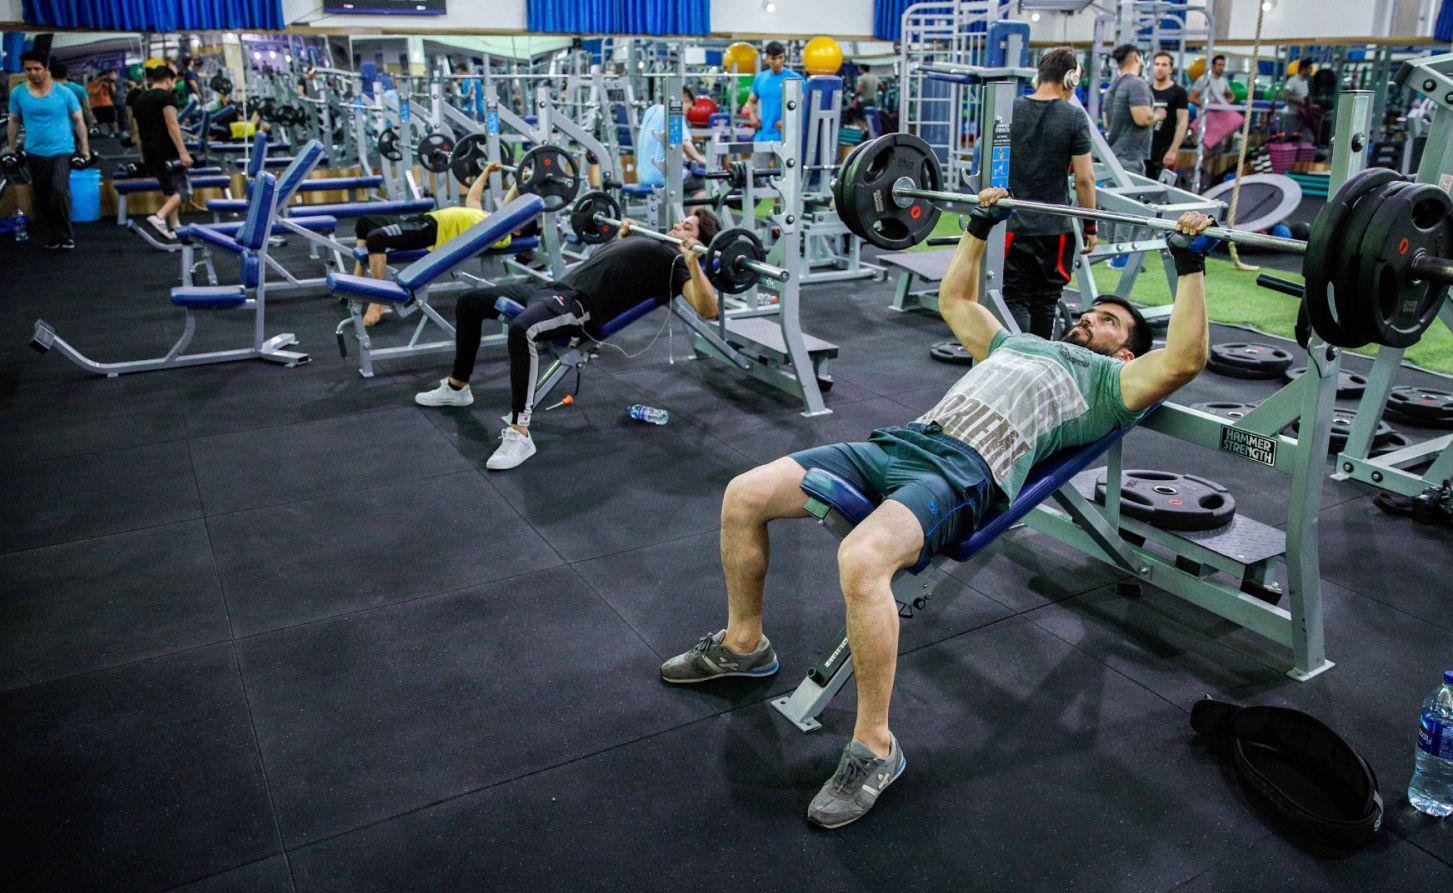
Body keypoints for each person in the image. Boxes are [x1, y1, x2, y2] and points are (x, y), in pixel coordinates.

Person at [658, 191, 1216, 829]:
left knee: (862, 558)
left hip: (966, 471)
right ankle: (744, 644)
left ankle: (875, 746)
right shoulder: (1016, 344)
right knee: (744, 493)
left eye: (1110, 320)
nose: (1091, 318)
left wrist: (1189, 264)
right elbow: (956, 300)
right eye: (1091, 311)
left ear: (1126, 353)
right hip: (900, 443)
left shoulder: (1110, 382)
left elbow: (1185, 359)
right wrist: (977, 226)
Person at [413, 209, 725, 471]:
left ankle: (520, 434)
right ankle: (457, 388)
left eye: (686, 227)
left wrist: (693, 262)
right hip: (552, 290)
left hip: (578, 307)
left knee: (525, 330)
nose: (676, 226)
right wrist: (622, 240)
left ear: (697, 244)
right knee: (470, 301)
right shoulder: (654, 242)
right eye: (681, 221)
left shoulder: (677, 263)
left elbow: (708, 310)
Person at [1004, 47, 1098, 339]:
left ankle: (1015, 365)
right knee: (1045, 302)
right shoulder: (1073, 117)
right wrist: (1090, 226)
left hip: (1009, 226)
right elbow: (1085, 179)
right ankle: (1037, 367)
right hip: (1053, 230)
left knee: (1013, 298)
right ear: (1070, 79)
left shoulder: (1007, 109)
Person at [353, 159, 515, 326]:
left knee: (376, 238)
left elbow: (509, 209)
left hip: (430, 232)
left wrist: (518, 186)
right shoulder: (484, 216)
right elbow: (474, 197)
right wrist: (487, 171)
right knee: (364, 222)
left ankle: (377, 301)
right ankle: (357, 285)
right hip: (426, 219)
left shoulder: (500, 234)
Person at [7, 51, 89, 251]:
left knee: (59, 190)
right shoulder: (18, 93)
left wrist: (85, 149)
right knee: (43, 196)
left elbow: (79, 120)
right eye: (28, 69)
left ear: (46, 69)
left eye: (37, 68)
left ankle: (66, 235)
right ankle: (55, 234)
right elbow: (14, 120)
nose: (33, 73)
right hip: (34, 151)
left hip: (62, 149)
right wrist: (10, 148)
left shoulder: (64, 92)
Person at [129, 66, 195, 243]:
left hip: (150, 150)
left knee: (169, 189)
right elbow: (172, 125)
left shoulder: (139, 99)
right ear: (168, 80)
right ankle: (159, 217)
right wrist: (183, 152)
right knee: (184, 190)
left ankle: (175, 225)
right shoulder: (166, 97)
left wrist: (142, 155)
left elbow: (136, 131)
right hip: (167, 149)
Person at [636, 86, 708, 198]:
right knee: (707, 183)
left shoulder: (652, 111)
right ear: (684, 101)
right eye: (688, 108)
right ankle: (696, 215)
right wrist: (702, 160)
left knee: (692, 186)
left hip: (643, 176)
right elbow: (685, 143)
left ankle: (690, 213)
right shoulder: (674, 111)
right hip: (662, 177)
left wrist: (685, 158)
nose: (687, 113)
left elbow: (669, 143)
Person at [1103, 44, 1155, 177]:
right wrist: (1158, 115)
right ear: (1137, 58)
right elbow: (1143, 119)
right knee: (1132, 197)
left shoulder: (1112, 87)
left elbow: (1105, 122)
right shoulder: (1137, 84)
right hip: (1130, 158)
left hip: (1113, 157)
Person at [745, 41, 804, 157]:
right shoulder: (760, 79)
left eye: (780, 58)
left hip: (786, 138)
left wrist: (788, 120)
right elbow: (751, 101)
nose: (777, 62)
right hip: (763, 135)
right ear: (766, 59)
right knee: (756, 172)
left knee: (785, 174)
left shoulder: (795, 79)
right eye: (773, 58)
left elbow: (803, 105)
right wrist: (752, 116)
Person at [1148, 51, 1190, 181]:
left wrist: (1173, 150)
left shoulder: (1178, 92)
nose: (1160, 68)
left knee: (1162, 187)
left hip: (1165, 148)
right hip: (1146, 147)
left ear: (1170, 69)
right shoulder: (1146, 90)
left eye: (1164, 65)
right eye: (1157, 64)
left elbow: (1182, 122)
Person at [50, 62, 95, 133]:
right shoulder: (79, 89)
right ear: (67, 74)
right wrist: (91, 124)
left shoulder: (46, 90)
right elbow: (87, 109)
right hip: (76, 127)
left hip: (53, 128)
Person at [1282, 59, 1317, 142]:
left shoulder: (1305, 82)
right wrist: (1300, 101)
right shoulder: (1292, 81)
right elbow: (1285, 96)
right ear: (1303, 69)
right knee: (1288, 140)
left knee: (1308, 138)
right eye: (1310, 68)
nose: (1311, 70)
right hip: (1292, 115)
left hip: (1302, 116)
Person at [86, 72, 118, 137]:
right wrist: (100, 84)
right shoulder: (90, 84)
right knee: (101, 120)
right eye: (102, 78)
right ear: (97, 78)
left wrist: (111, 83)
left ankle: (116, 132)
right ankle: (105, 133)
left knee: (112, 119)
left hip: (108, 103)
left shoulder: (107, 84)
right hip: (96, 105)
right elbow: (94, 92)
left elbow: (113, 91)